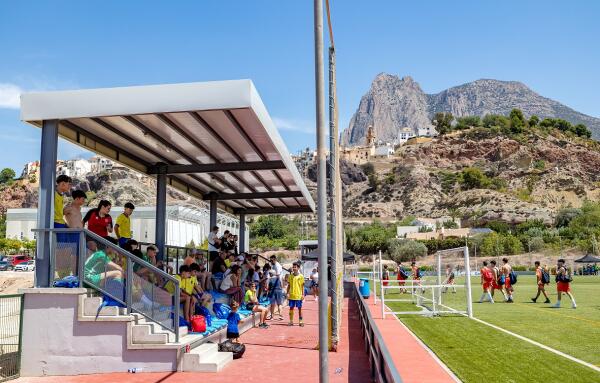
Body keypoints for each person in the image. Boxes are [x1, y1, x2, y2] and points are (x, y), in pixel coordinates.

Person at [287, 262, 305, 327]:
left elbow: (302, 286)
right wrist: (287, 293)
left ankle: (300, 321)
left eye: (295, 267)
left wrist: (303, 294)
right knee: (291, 308)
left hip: (298, 296)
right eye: (293, 267)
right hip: (291, 295)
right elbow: (289, 285)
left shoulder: (301, 276)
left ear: (298, 268)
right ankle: (291, 321)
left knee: (300, 309)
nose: (294, 268)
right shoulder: (290, 276)